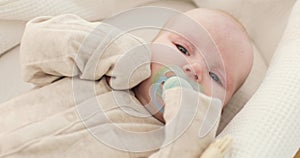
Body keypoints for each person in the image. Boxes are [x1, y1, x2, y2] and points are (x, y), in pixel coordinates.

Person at [0, 8, 253, 158]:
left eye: (216, 77)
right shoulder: (95, 70)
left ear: (221, 108)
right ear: (151, 46)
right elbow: (36, 44)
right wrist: (109, 48)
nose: (195, 69)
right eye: (182, 48)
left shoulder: (167, 142)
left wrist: (192, 115)